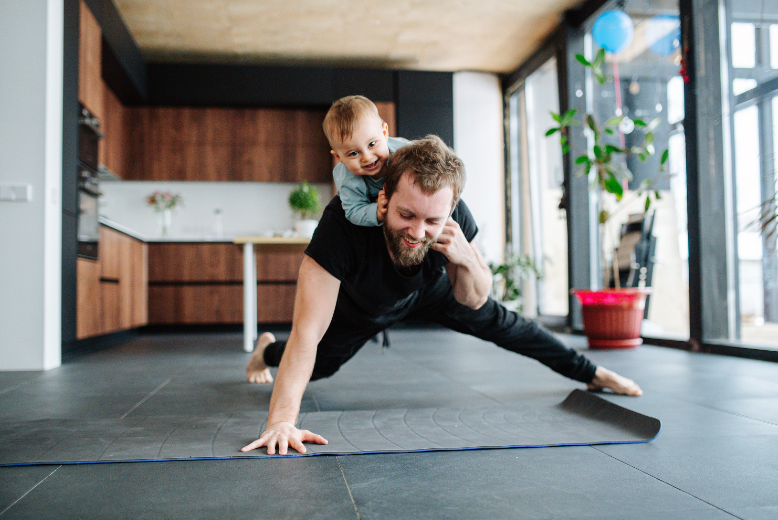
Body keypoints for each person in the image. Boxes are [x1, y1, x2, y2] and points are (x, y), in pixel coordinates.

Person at [242, 135, 642, 456]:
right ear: (383, 198)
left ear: (450, 210)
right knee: (321, 365)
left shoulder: (456, 221)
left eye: (432, 220)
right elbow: (307, 333)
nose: (417, 232)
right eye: (405, 215)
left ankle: (591, 373)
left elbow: (476, 300)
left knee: (506, 324)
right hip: (363, 304)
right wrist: (280, 420)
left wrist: (466, 258)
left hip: (430, 291)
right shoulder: (341, 225)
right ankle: (265, 351)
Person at [323, 95, 409, 227]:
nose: (367, 157)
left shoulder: (406, 152)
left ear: (385, 133)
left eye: (372, 144)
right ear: (339, 158)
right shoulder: (348, 179)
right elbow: (353, 210)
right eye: (353, 153)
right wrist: (377, 211)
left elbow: (433, 162)